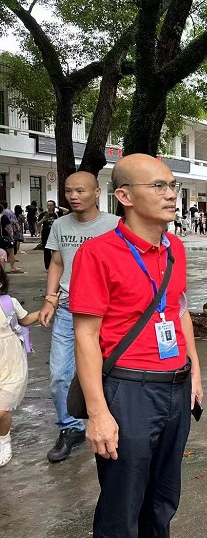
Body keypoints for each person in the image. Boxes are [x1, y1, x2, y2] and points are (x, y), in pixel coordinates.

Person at [70, 153, 202, 538]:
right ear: (124, 195)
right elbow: (86, 335)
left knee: (163, 500)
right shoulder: (98, 253)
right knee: (121, 506)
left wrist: (194, 370)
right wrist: (98, 413)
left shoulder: (175, 246)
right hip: (128, 391)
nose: (170, 195)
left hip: (175, 387)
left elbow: (179, 310)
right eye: (159, 187)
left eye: (172, 186)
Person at [38, 172, 120, 463]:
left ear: (97, 192)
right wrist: (50, 299)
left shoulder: (114, 225)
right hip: (68, 310)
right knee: (60, 375)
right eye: (69, 191)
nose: (74, 196)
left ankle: (113, 421)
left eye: (81, 191)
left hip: (107, 311)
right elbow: (57, 262)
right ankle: (69, 428)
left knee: (111, 371)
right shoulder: (60, 225)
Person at [0, 264, 40, 467]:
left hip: (11, 362)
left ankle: (3, 439)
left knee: (2, 410)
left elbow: (25, 320)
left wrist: (49, 308)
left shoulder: (8, 303)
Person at [37, 200, 68, 270]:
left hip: (56, 234)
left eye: (51, 205)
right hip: (46, 234)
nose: (49, 207)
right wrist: (43, 219)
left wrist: (57, 207)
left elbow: (67, 211)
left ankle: (57, 265)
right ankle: (48, 266)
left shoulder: (57, 214)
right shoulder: (43, 214)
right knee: (47, 251)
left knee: (57, 250)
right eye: (48, 205)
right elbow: (38, 224)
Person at [0, 204, 23, 273]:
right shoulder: (3, 217)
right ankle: (12, 267)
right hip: (3, 237)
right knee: (11, 251)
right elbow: (8, 228)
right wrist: (11, 236)